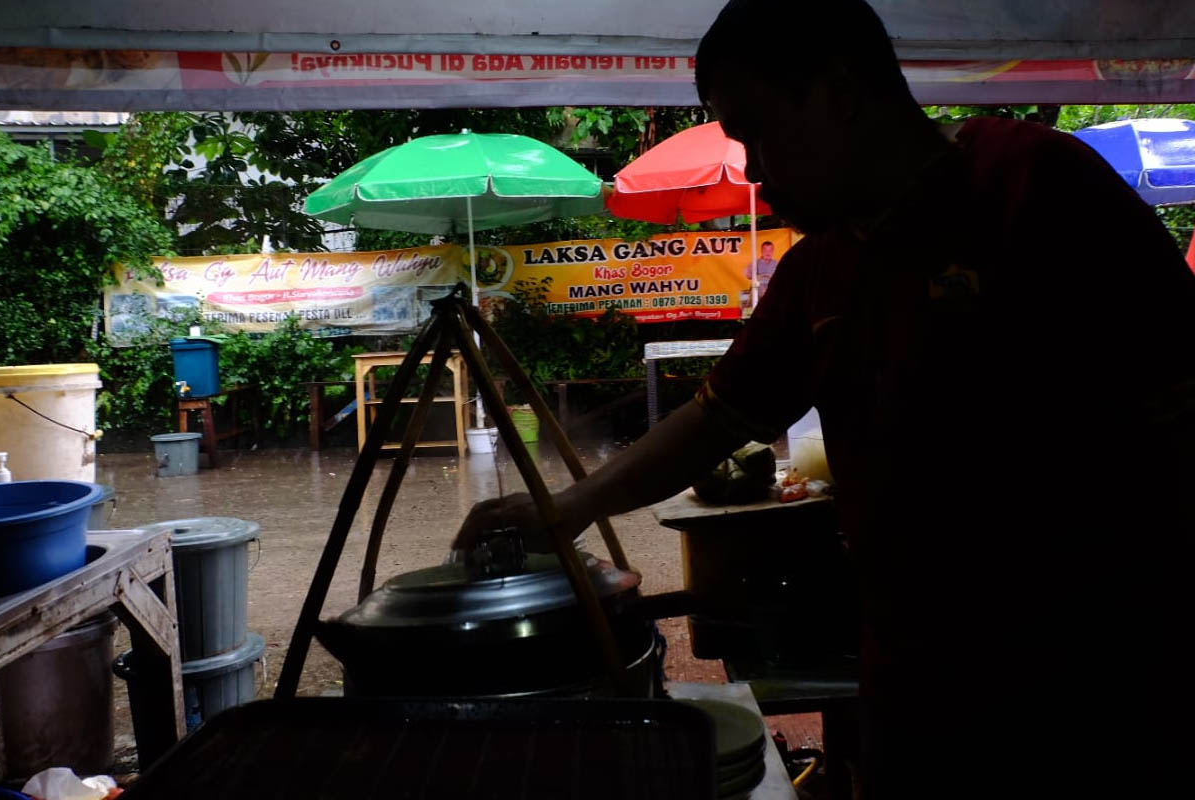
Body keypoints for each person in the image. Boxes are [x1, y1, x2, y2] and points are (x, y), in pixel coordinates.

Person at [458, 1, 1195, 796]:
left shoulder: (1031, 183)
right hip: (914, 681)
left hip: (1091, 683)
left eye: (756, 132)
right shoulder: (824, 269)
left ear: (839, 93)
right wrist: (564, 509)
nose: (753, 169)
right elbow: (715, 418)